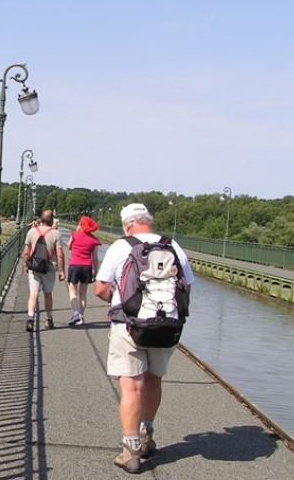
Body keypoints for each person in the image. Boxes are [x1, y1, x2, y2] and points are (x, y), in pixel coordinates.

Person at [94, 203, 194, 474]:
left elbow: (101, 288)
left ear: (127, 224)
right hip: (166, 326)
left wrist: (120, 304)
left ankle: (130, 452)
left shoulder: (121, 246)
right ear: (148, 221)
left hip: (129, 326)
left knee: (131, 386)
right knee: (153, 380)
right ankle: (147, 435)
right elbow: (187, 289)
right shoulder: (173, 246)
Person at [23, 210, 65, 331]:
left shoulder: (31, 232)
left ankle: (30, 318)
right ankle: (49, 319)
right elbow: (60, 254)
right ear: (52, 220)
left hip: (34, 267)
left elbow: (26, 252)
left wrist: (27, 265)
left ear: (40, 219)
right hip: (49, 267)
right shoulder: (56, 234)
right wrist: (62, 271)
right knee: (48, 293)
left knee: (33, 294)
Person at [66, 216, 102, 326]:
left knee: (72, 291)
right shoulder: (94, 240)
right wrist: (96, 272)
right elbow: (95, 258)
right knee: (83, 293)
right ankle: (81, 316)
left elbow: (68, 246)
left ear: (81, 225)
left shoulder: (74, 235)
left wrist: (77, 232)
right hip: (87, 267)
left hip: (74, 265)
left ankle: (75, 312)